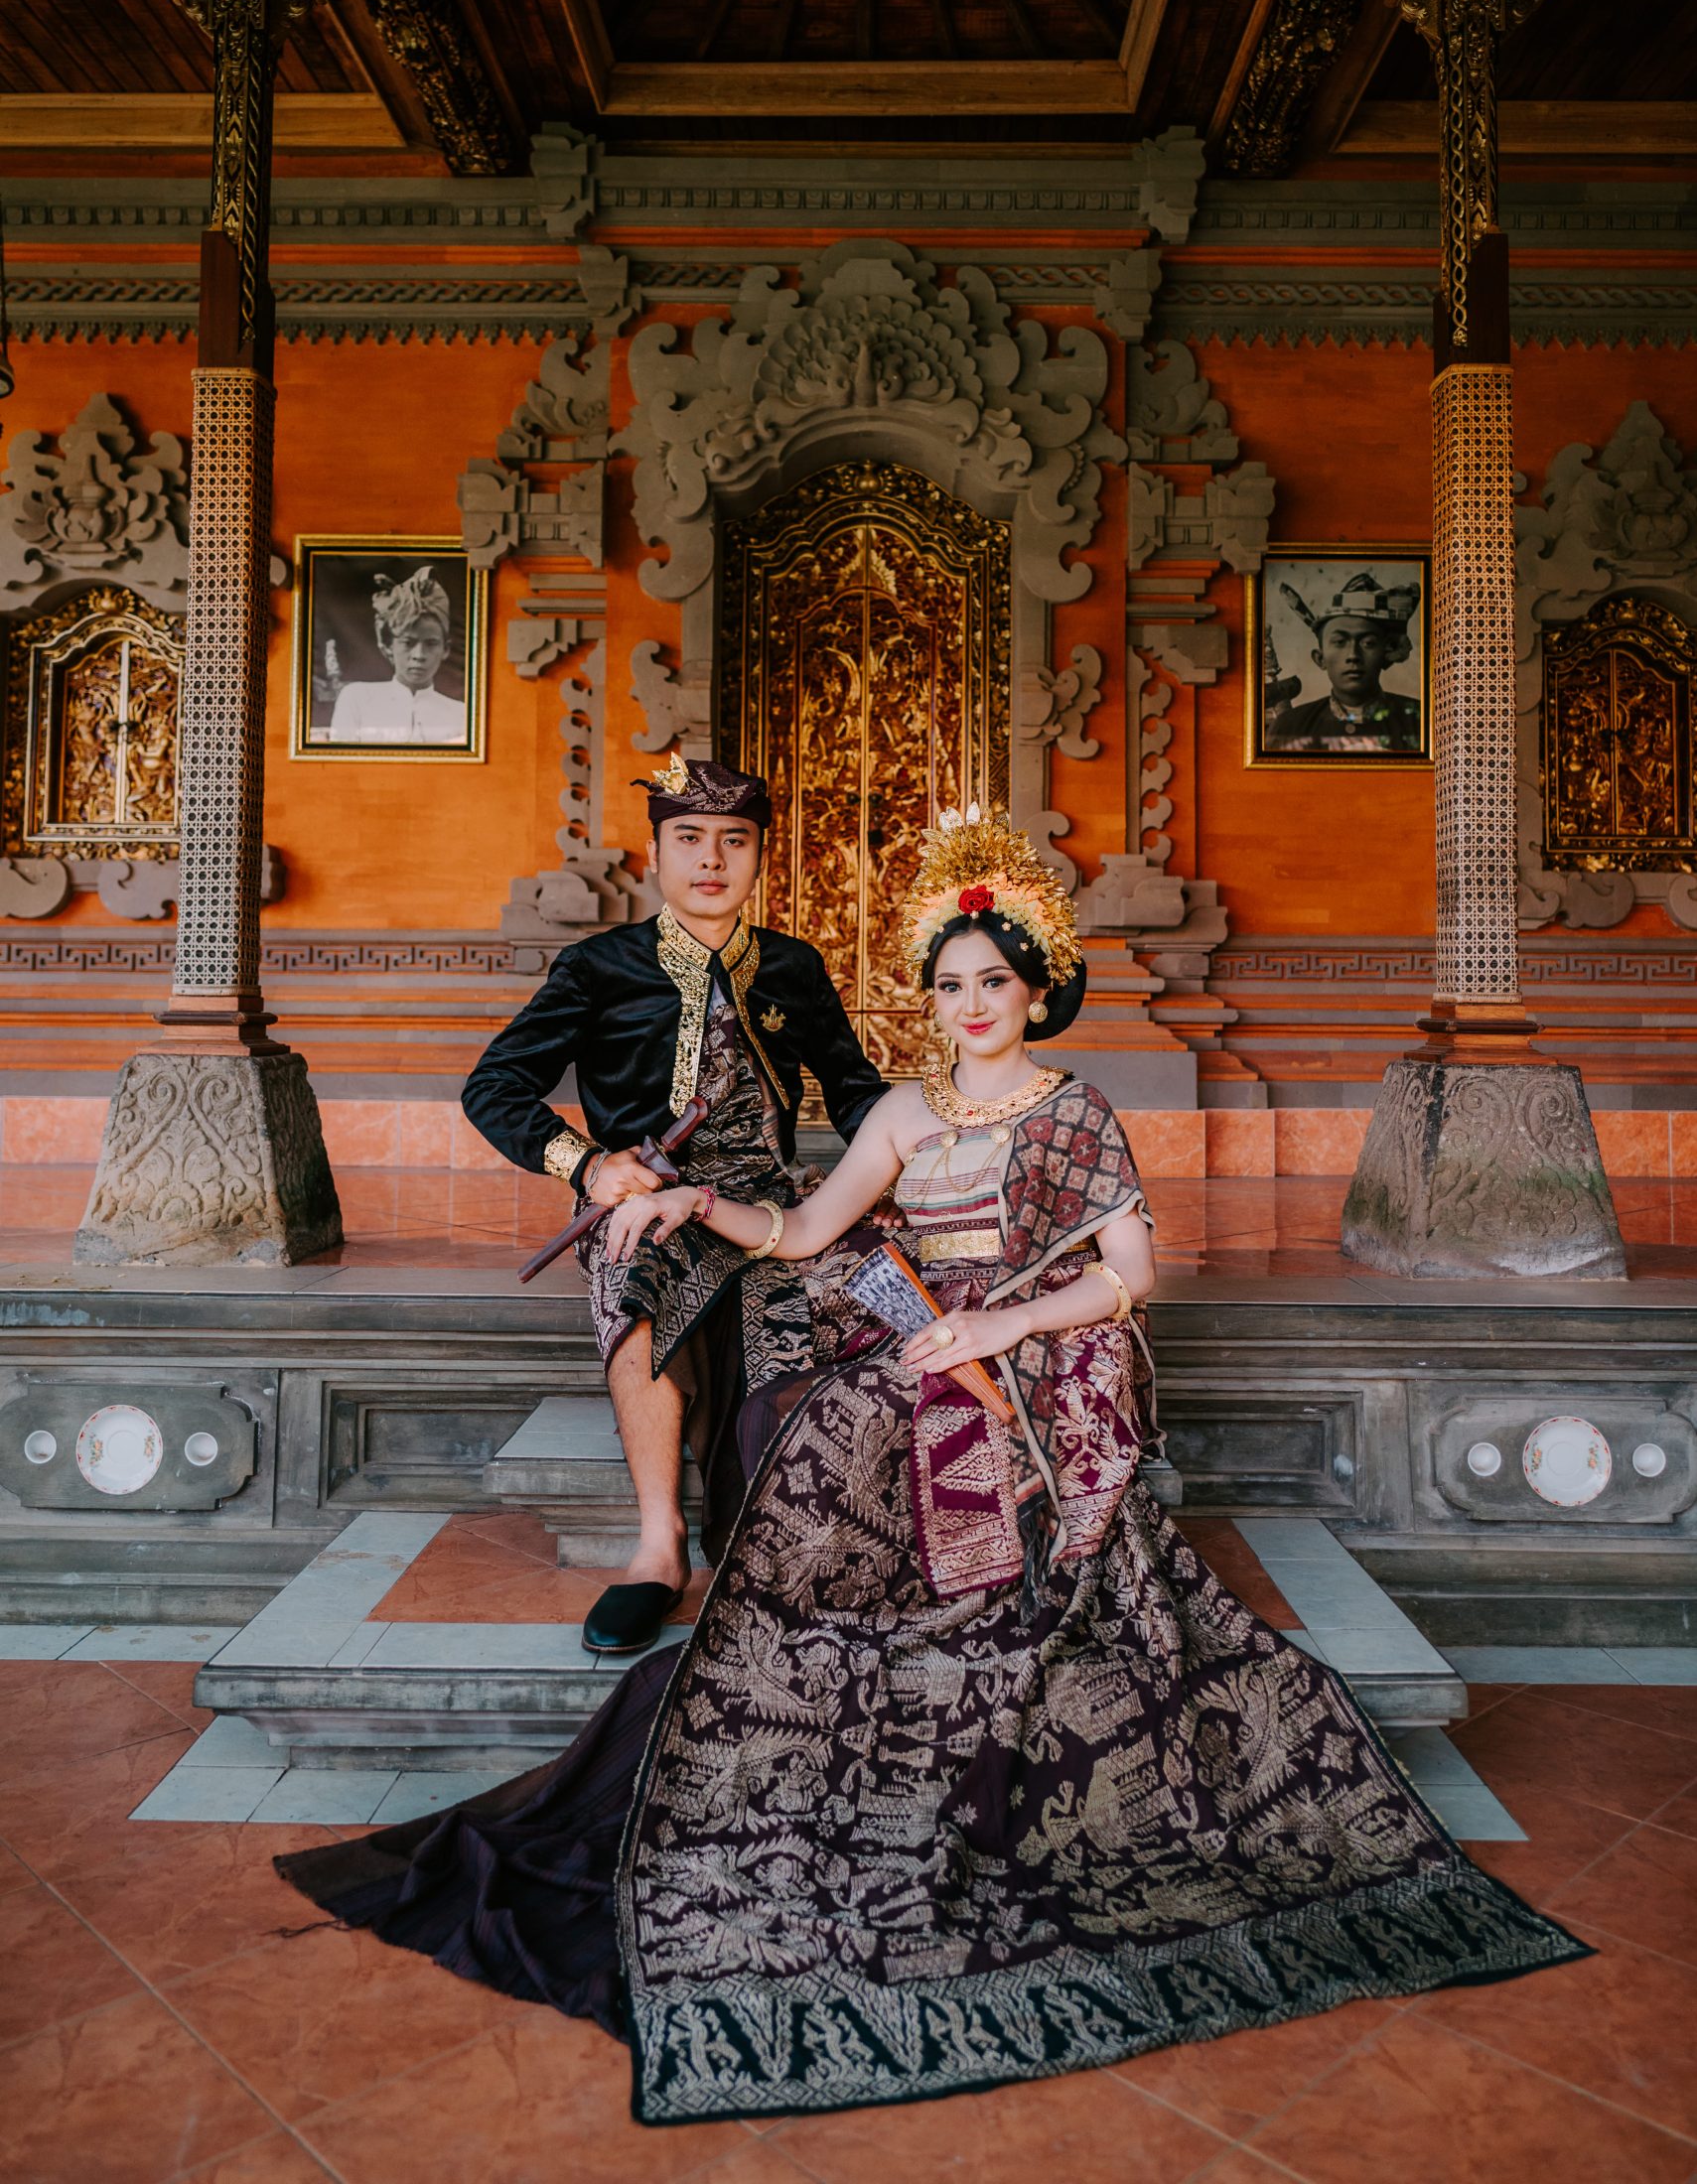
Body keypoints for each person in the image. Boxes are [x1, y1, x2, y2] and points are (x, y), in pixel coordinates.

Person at [281, 808, 1585, 2120]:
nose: (969, 1004)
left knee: (927, 1437)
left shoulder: (1072, 1112)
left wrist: (1002, 1327)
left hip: (1039, 1348)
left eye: (992, 982)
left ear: (1034, 992)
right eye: (950, 984)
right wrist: (686, 1200)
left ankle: (960, 1629)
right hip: (920, 1330)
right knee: (822, 1416)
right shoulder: (908, 1110)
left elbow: (1129, 1278)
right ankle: (823, 1629)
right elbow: (804, 1229)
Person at [459, 751, 884, 1654]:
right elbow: (493, 1087)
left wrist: (924, 1157)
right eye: (688, 838)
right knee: (633, 1276)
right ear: (654, 854)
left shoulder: (793, 967)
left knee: (863, 1283)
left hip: (765, 1200)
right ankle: (660, 1544)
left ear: (761, 855)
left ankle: (810, 1530)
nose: (711, 859)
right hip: (644, 1201)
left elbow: (855, 1094)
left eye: (734, 840)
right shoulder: (597, 967)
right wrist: (587, 1167)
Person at [1266, 568, 1423, 752]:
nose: (1353, 655)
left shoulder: (1422, 722)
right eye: (1340, 642)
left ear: (1387, 653)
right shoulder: (1289, 727)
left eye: (1368, 643)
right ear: (1320, 658)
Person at [323, 565, 467, 746]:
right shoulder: (357, 699)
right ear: (388, 645)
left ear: (445, 649)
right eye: (408, 643)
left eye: (431, 644)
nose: (419, 655)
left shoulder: (461, 714)